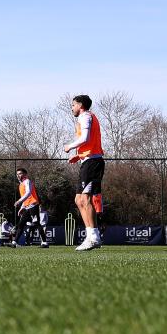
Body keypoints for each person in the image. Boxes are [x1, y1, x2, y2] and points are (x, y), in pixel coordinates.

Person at [62, 94, 105, 251]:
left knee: (84, 199)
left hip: (92, 163)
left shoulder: (84, 117)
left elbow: (85, 138)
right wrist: (79, 155)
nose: (72, 108)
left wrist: (70, 146)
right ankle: (93, 236)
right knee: (79, 200)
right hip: (89, 161)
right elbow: (90, 142)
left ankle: (93, 237)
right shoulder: (88, 117)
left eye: (73, 105)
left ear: (80, 105)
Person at [13, 168, 50, 248]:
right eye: (17, 174)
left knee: (36, 223)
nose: (18, 175)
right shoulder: (21, 184)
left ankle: (44, 243)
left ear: (25, 174)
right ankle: (14, 242)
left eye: (20, 173)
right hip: (27, 207)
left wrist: (19, 201)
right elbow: (24, 196)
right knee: (21, 224)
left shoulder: (27, 181)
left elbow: (28, 193)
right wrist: (21, 207)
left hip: (33, 205)